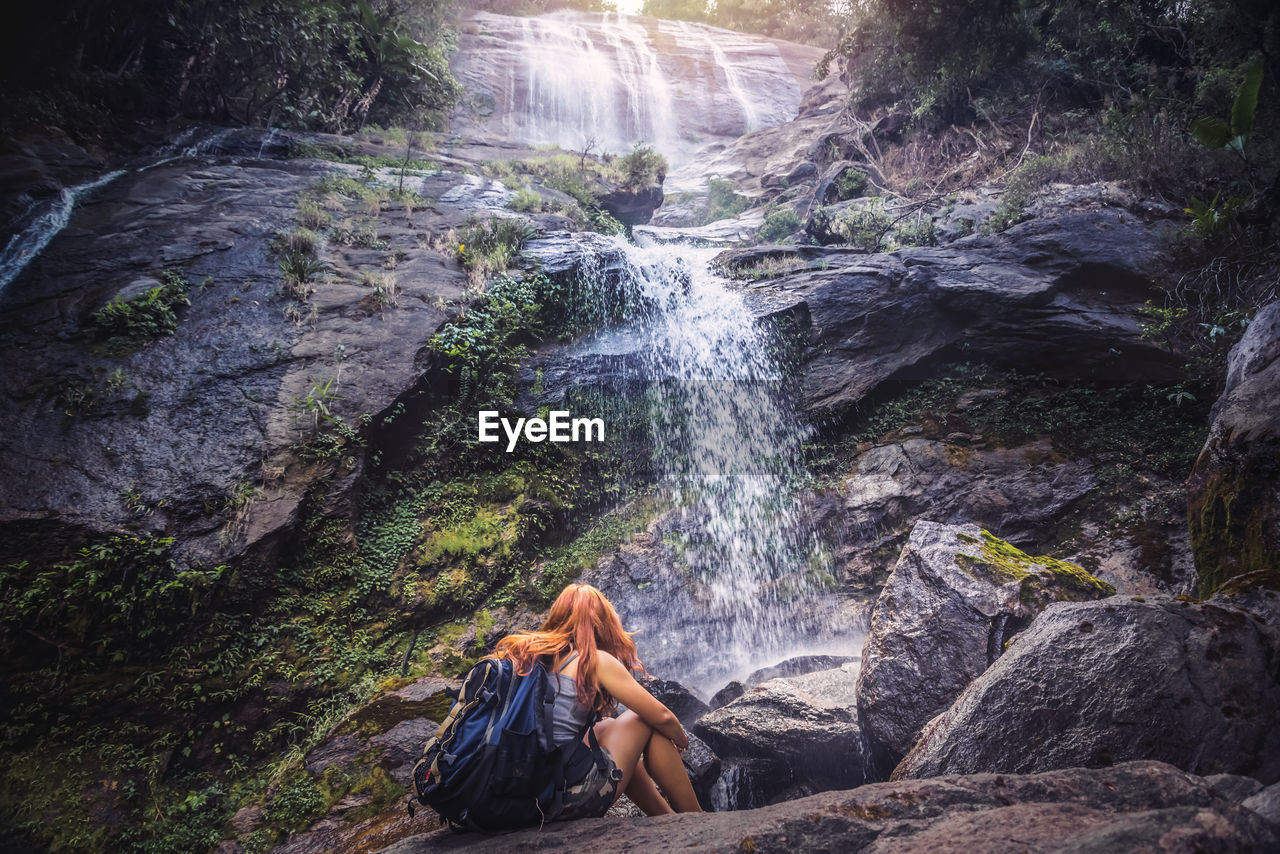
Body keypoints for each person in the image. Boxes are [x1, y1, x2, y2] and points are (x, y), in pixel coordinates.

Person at [492, 582, 704, 820]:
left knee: (608, 727)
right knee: (642, 719)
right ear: (601, 623)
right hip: (556, 800)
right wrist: (682, 740)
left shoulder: (530, 655)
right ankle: (697, 819)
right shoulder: (593, 660)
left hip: (515, 793)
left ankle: (668, 820)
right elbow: (662, 716)